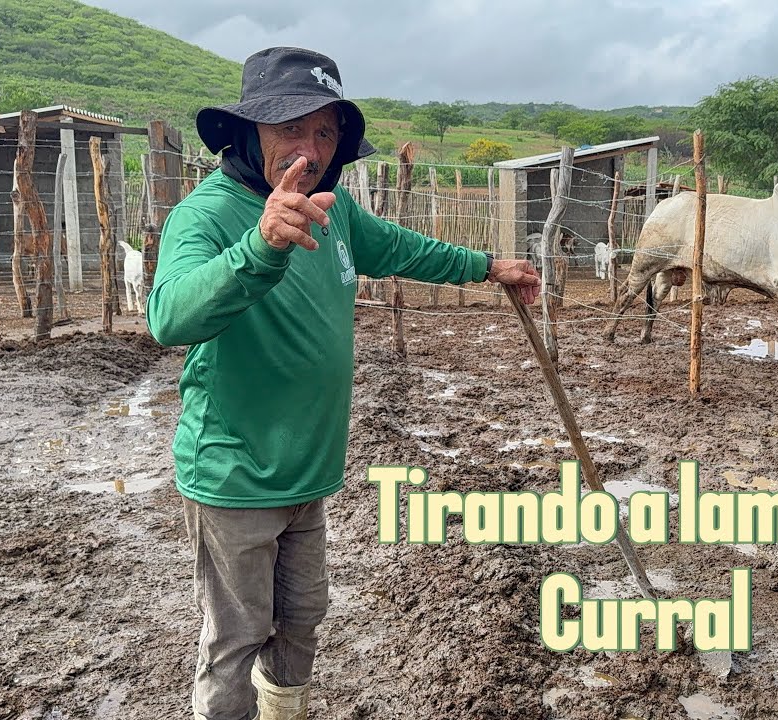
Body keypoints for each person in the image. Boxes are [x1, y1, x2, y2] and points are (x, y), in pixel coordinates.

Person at [146, 46, 540, 720]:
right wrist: (261, 245)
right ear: (249, 131)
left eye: (325, 131)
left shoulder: (336, 210)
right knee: (235, 638)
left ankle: (285, 711)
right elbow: (170, 315)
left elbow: (403, 248)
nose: (311, 147)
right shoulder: (207, 216)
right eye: (291, 127)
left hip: (310, 469)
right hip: (234, 475)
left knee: (302, 620)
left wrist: (487, 265)